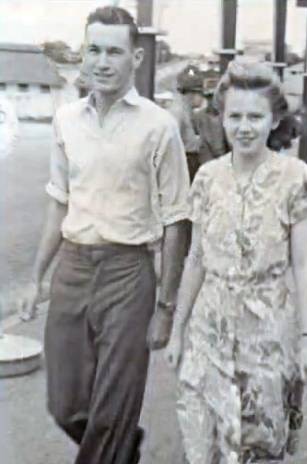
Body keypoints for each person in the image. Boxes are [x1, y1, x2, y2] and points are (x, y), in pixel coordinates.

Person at [21, 6, 189, 464]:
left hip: (128, 273)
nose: (101, 61)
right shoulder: (66, 121)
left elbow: (178, 219)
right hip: (72, 269)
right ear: (83, 54)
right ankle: (122, 450)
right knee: (65, 404)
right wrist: (36, 277)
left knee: (111, 412)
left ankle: (113, 448)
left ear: (136, 58)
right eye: (93, 49)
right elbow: (59, 201)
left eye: (114, 51)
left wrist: (166, 309)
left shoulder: (159, 126)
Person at [165, 62, 307, 464]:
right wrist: (177, 333)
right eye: (235, 116)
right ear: (222, 117)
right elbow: (195, 261)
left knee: (260, 442)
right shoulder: (207, 178)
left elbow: (305, 264)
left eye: (255, 117)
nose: (244, 127)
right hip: (208, 334)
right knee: (203, 441)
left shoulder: (296, 179)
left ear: (274, 119)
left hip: (268, 336)